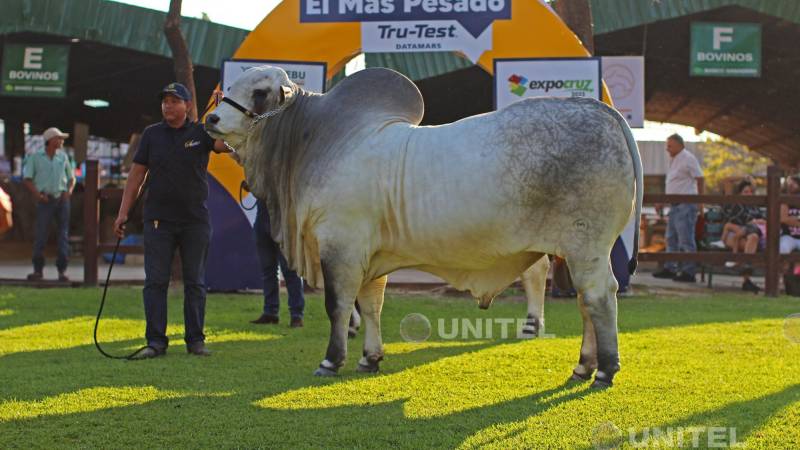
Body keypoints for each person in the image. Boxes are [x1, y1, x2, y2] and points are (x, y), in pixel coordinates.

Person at [114, 82, 230, 359]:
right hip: (158, 221)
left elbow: (225, 145)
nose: (168, 105)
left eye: (174, 101)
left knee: (195, 282)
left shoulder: (202, 132)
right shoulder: (152, 135)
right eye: (165, 101)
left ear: (188, 106)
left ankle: (195, 341)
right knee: (155, 282)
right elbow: (136, 176)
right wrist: (123, 212)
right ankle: (155, 342)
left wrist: (223, 112)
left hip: (194, 221)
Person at [23, 127, 75, 282]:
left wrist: (69, 191)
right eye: (59, 138)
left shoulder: (63, 157)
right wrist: (38, 195)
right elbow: (27, 179)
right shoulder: (35, 157)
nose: (61, 141)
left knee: (63, 235)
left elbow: (71, 178)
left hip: (61, 199)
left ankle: (62, 270)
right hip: (45, 200)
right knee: (41, 235)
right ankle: (38, 270)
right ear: (50, 140)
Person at [653, 133, 704, 282]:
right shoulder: (675, 159)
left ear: (679, 144)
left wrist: (701, 201)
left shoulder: (688, 158)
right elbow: (674, 184)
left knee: (685, 239)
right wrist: (663, 200)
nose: (667, 149)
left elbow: (700, 178)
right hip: (675, 205)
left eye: (670, 145)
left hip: (686, 204)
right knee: (671, 238)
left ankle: (689, 272)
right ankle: (671, 267)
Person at [250, 199, 305, 327]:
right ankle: (271, 312)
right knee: (268, 270)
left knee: (290, 269)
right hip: (263, 218)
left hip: (283, 221)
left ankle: (296, 314)